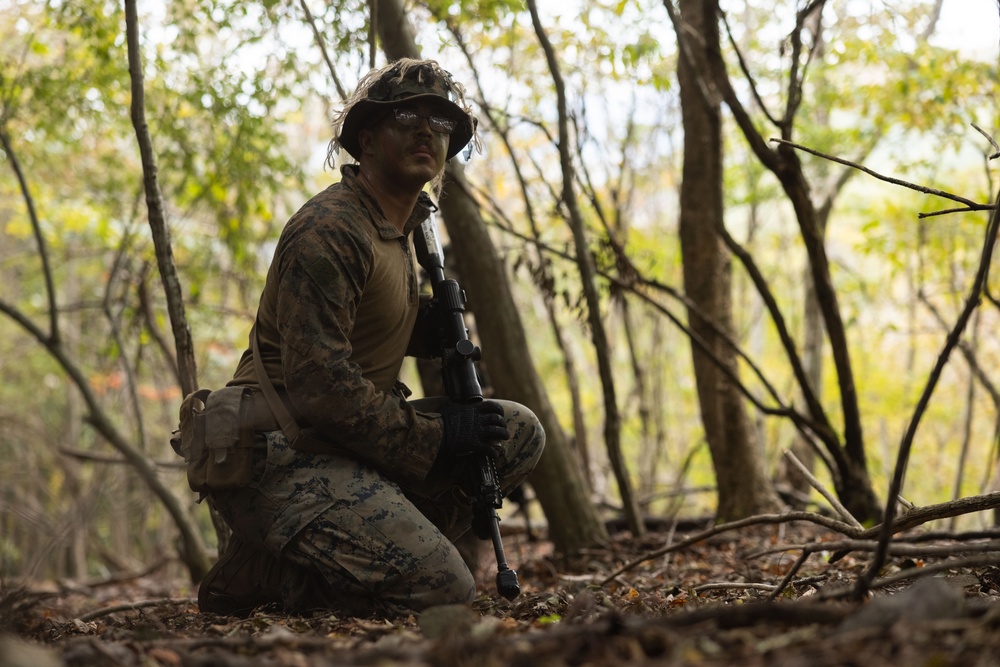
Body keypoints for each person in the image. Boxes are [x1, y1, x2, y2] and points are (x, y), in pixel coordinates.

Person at [197, 58, 545, 617]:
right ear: (367, 139)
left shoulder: (401, 231)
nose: (425, 130)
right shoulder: (333, 228)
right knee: (444, 589)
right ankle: (271, 575)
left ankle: (371, 545)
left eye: (440, 121)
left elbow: (359, 325)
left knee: (517, 433)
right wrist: (436, 437)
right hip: (276, 452)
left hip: (342, 443)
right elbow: (322, 387)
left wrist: (421, 327)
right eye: (405, 116)